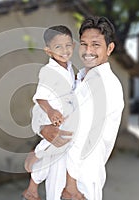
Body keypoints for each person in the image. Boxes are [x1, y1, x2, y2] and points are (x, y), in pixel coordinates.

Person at [37, 16, 125, 200]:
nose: (88, 51)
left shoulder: (106, 85)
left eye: (96, 45)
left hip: (78, 182)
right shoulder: (80, 79)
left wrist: (71, 186)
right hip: (59, 171)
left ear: (109, 48)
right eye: (84, 44)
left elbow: (83, 137)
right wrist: (42, 129)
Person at [22, 25, 85, 200]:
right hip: (54, 117)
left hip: (65, 118)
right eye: (58, 47)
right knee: (47, 151)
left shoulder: (70, 68)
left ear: (73, 45)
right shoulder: (48, 71)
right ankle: (33, 179)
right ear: (48, 51)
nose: (64, 50)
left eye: (67, 45)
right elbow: (40, 97)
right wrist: (50, 112)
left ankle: (33, 189)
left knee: (53, 158)